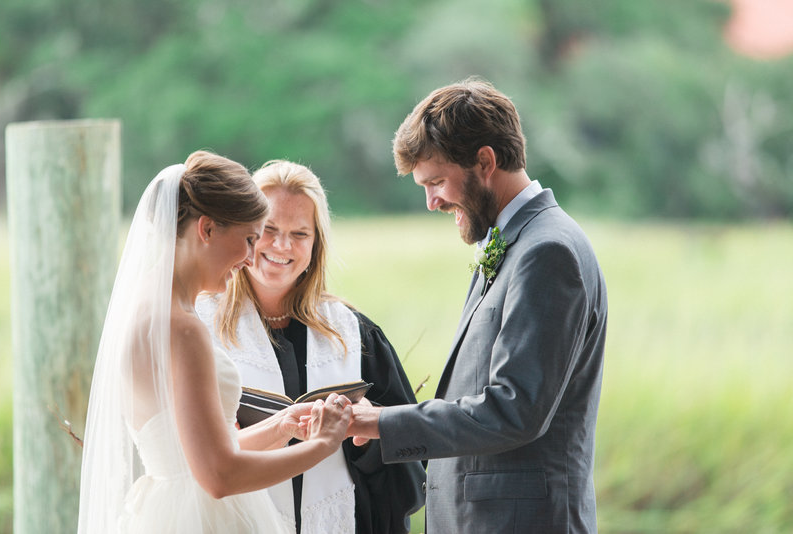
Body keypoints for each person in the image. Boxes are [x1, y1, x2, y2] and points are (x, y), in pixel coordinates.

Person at [349, 78, 608, 533]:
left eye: (437, 182)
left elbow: (513, 409)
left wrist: (381, 423)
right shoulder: (518, 241)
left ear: (485, 161)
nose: (431, 202)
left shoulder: (548, 252)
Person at [77, 150, 353, 534]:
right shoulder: (184, 328)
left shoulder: (146, 303)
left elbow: (192, 453)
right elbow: (218, 475)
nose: (250, 257)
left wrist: (281, 427)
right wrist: (321, 445)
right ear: (206, 230)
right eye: (249, 238)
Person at [196, 159, 426, 534]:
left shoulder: (355, 334)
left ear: (317, 242)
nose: (282, 246)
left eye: (300, 233)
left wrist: (366, 440)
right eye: (268, 229)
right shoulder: (200, 328)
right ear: (244, 231)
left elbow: (410, 464)